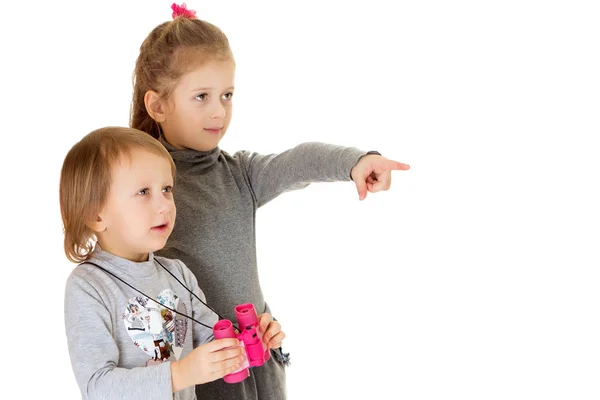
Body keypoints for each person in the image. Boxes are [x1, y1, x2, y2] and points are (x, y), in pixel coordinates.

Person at [130, 3, 410, 398]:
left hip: (259, 362)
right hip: (198, 373)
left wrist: (353, 162)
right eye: (202, 96)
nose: (219, 111)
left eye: (227, 95)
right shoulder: (141, 187)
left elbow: (295, 161)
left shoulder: (238, 174)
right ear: (157, 105)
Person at [60, 126, 285, 400]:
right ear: (97, 216)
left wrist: (253, 339)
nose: (165, 204)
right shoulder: (89, 286)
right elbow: (97, 387)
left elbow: (214, 344)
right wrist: (180, 374)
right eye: (143, 192)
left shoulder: (177, 273)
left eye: (166, 189)